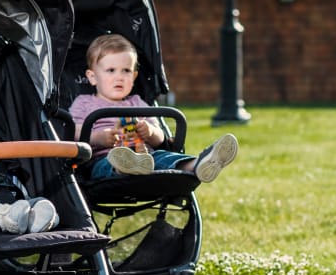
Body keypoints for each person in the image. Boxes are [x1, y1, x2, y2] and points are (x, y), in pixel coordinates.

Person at [70, 34, 240, 182]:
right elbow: (70, 132)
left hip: (146, 157)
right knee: (107, 164)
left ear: (134, 76)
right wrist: (98, 137)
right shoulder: (84, 103)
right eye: (111, 70)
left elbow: (161, 139)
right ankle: (125, 167)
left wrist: (150, 132)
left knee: (164, 158)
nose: (119, 77)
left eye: (126, 71)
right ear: (92, 77)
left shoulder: (138, 103)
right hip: (104, 157)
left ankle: (198, 164)